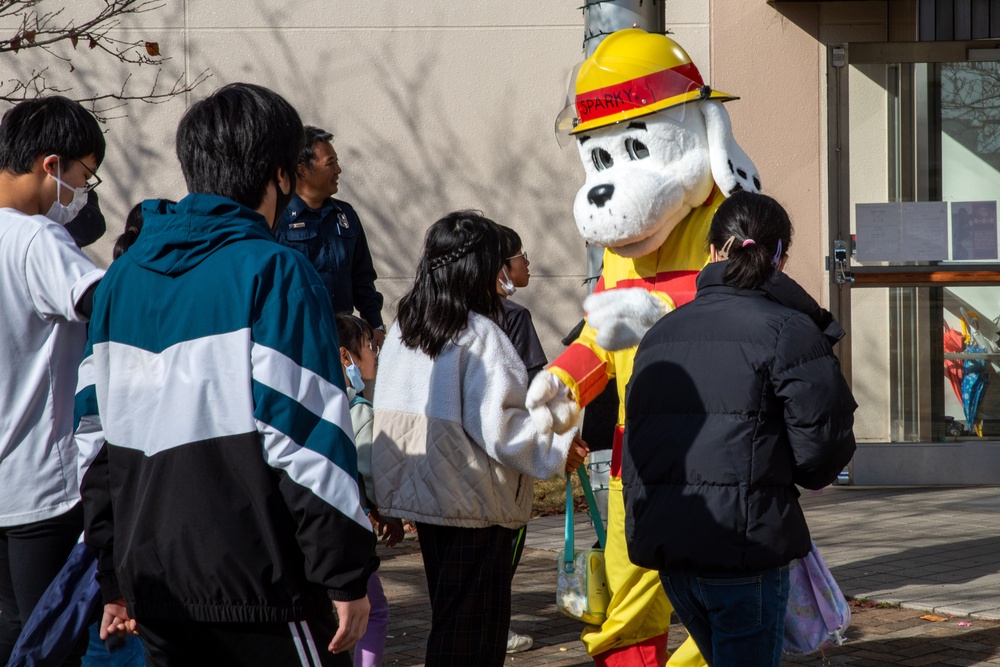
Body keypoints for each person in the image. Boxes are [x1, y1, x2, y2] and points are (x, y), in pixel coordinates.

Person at [77, 82, 378, 666]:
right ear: (280, 173)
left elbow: (93, 442)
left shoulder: (120, 281)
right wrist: (344, 575)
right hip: (263, 590)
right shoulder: (275, 272)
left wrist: (112, 575)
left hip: (154, 587)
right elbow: (305, 437)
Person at [623, 191, 858, 667]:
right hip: (745, 549)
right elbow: (820, 454)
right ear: (781, 258)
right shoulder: (790, 329)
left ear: (711, 251)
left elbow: (639, 445)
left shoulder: (660, 333)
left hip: (671, 550)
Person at [371, 210, 589, 666]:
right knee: (474, 635)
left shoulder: (405, 328)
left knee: (451, 618)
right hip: (475, 502)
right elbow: (505, 430)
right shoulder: (480, 335)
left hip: (426, 497)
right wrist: (560, 436)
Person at [0, 95, 106, 666]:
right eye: (84, 177)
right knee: (47, 639)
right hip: (37, 485)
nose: (82, 195)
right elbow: (103, 302)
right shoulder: (36, 239)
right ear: (51, 165)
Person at [275, 126, 386, 348]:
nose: (338, 170)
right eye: (330, 163)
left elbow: (362, 277)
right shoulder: (278, 219)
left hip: (344, 341)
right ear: (302, 170)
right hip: (297, 341)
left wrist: (376, 324)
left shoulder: (345, 216)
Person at [334, 313, 402, 667]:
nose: (376, 353)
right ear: (346, 357)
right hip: (348, 535)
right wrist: (389, 514)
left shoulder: (314, 404)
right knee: (372, 611)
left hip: (305, 531)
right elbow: (371, 472)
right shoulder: (358, 410)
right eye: (369, 347)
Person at [495, 224, 546, 654]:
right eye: (520, 256)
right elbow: (536, 386)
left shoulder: (450, 313)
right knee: (506, 542)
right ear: (501, 269)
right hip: (508, 449)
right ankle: (496, 626)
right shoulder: (513, 317)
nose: (526, 263)